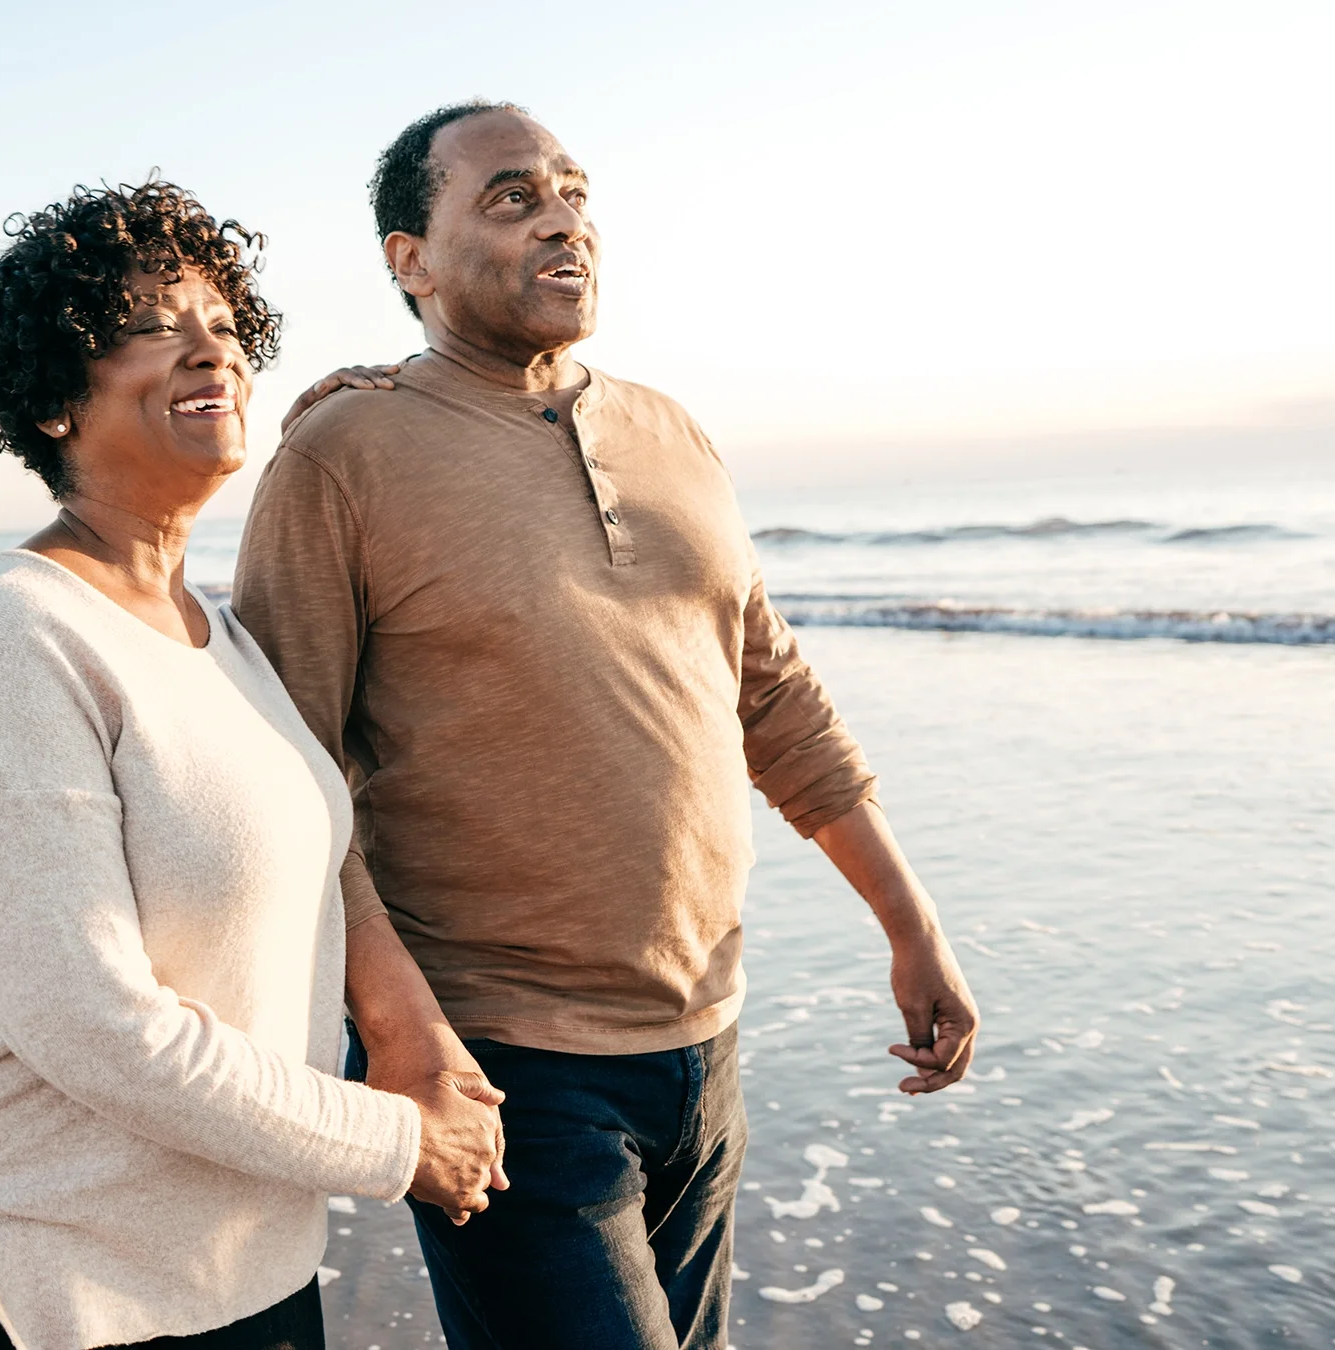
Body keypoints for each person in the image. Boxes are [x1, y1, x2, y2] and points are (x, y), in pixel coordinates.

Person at [233, 103, 982, 1350]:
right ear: (407, 258)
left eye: (574, 192)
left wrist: (912, 925)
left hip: (705, 1040)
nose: (563, 217)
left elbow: (773, 697)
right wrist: (401, 1032)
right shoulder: (342, 454)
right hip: (504, 1058)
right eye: (512, 197)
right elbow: (288, 780)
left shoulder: (673, 432)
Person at [0, 181, 504, 1350]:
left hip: (243, 1272)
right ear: (50, 400)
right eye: (151, 327)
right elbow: (99, 1029)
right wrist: (398, 1145)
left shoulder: (220, 639)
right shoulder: (16, 636)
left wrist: (412, 1031)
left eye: (227, 328)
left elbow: (321, 870)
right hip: (21, 1278)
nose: (209, 351)